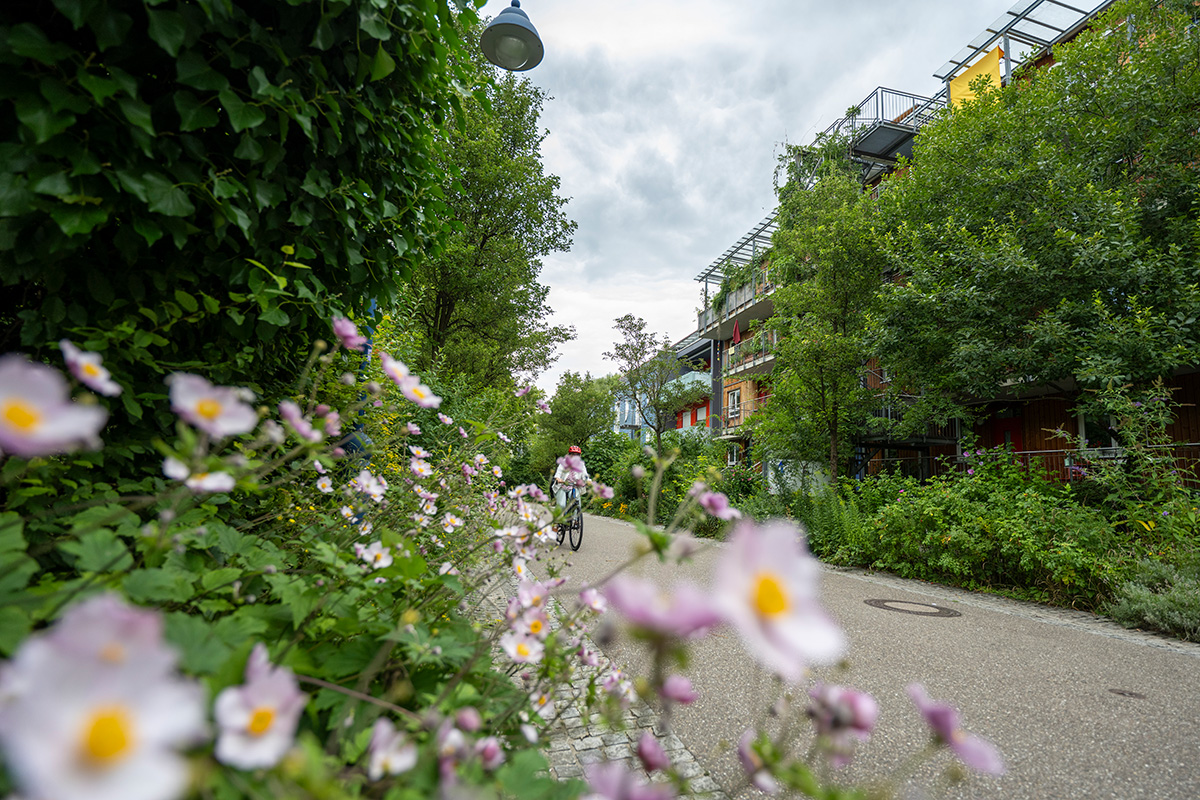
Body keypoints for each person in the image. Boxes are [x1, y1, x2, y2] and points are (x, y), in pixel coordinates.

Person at [552, 445, 589, 512]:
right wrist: (558, 478)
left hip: (574, 486)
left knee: (576, 503)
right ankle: (559, 519)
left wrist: (588, 481)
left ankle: (575, 520)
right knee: (562, 505)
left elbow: (585, 475)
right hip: (563, 486)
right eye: (573, 454)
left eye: (577, 455)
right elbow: (558, 473)